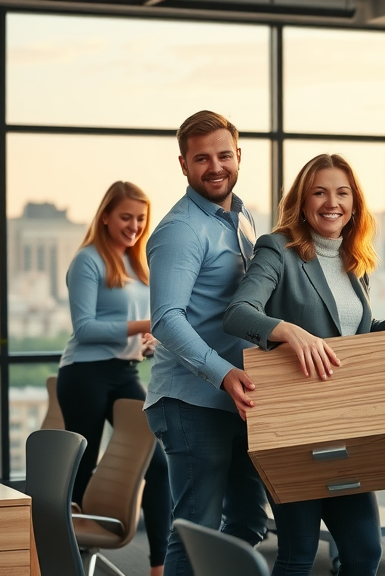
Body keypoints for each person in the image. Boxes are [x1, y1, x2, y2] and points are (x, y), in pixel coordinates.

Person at [222, 153, 385, 576]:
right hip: (293, 426)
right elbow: (238, 313)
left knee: (365, 552)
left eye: (342, 193)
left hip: (343, 423)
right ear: (303, 200)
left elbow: (352, 340)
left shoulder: (353, 261)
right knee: (298, 553)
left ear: (354, 203)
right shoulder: (279, 248)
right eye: (320, 192)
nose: (333, 202)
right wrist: (288, 331)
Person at [145, 110, 268, 576]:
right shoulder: (180, 231)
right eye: (201, 159)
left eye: (223, 155)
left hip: (237, 398)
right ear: (183, 165)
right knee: (195, 528)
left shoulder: (242, 218)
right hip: (192, 400)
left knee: (248, 522)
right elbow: (167, 320)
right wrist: (223, 373)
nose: (214, 167)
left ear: (239, 155)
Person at [56, 180, 170, 576]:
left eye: (140, 218)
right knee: (81, 468)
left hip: (124, 373)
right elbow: (85, 328)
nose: (134, 225)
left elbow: (134, 328)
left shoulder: (139, 265)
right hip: (84, 374)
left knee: (157, 465)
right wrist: (146, 322)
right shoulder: (88, 260)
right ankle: (61, 557)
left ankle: (159, 566)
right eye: (126, 217)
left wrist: (148, 340)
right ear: (105, 216)